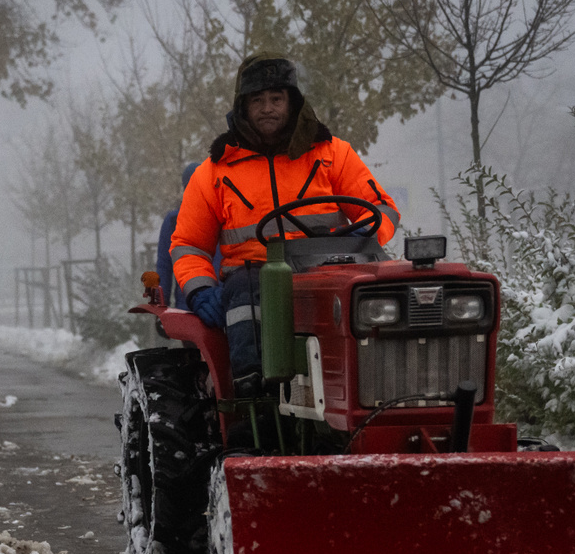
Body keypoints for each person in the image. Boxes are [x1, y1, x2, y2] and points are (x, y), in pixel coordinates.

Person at [168, 54, 400, 397]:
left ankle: (385, 391)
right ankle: (252, 404)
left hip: (327, 270)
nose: (267, 108)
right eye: (257, 100)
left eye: (276, 99)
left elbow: (382, 209)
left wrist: (358, 235)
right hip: (253, 274)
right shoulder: (215, 172)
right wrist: (200, 290)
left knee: (379, 300)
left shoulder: (332, 153)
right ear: (242, 107)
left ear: (292, 102)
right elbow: (188, 245)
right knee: (247, 297)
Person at [155, 163, 220, 308]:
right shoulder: (222, 217)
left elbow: (163, 267)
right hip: (218, 305)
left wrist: (161, 310)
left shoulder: (173, 221)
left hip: (189, 305)